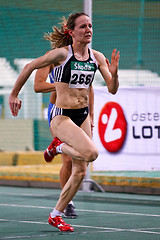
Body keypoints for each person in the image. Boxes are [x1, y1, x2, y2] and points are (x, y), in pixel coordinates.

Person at [9, 12, 120, 232]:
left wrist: (114, 75)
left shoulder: (97, 57)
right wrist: (14, 94)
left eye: (90, 26)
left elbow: (112, 90)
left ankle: (56, 214)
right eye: (83, 27)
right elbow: (29, 66)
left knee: (80, 170)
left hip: (82, 115)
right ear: (71, 32)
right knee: (92, 153)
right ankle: (58, 146)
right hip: (62, 115)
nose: (88, 29)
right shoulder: (61, 54)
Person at [34, 63, 94, 218]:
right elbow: (39, 85)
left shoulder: (84, 56)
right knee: (68, 161)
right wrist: (61, 87)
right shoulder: (54, 56)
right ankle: (68, 204)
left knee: (84, 160)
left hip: (81, 113)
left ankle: (57, 148)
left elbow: (89, 87)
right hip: (60, 110)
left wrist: (91, 114)